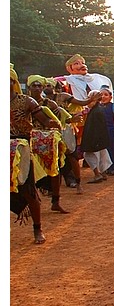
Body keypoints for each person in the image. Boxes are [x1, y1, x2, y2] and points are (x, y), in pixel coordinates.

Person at [11, 65, 62, 244]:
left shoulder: (27, 102)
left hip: (22, 148)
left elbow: (45, 120)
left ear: (14, 83)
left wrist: (54, 123)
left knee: (28, 191)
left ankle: (37, 228)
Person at [25, 74, 72, 213]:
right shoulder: (24, 102)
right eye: (34, 85)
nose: (37, 88)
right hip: (29, 140)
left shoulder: (50, 104)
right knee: (28, 173)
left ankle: (55, 202)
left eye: (40, 85)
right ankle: (31, 203)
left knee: (54, 170)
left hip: (49, 141)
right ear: (29, 87)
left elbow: (60, 121)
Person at [59, 53, 113, 149]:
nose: (82, 65)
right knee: (77, 136)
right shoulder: (66, 81)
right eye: (77, 63)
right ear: (69, 68)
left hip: (94, 114)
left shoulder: (96, 79)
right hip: (76, 115)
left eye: (83, 63)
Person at [80, 90, 112, 184]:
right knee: (103, 156)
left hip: (94, 140)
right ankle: (103, 174)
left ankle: (97, 174)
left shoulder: (96, 111)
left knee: (89, 155)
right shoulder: (98, 109)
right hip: (100, 140)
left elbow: (95, 128)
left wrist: (94, 141)